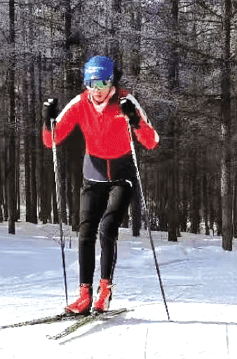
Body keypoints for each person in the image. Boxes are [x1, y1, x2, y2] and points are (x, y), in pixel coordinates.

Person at [41, 55, 159, 314]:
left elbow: (151, 141)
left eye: (103, 82)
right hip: (93, 172)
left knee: (107, 228)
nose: (97, 89)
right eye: (92, 82)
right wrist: (47, 122)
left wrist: (135, 122)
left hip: (122, 172)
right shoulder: (80, 103)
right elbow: (52, 141)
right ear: (85, 83)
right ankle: (84, 294)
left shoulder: (126, 101)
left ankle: (104, 290)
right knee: (85, 231)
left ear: (112, 81)